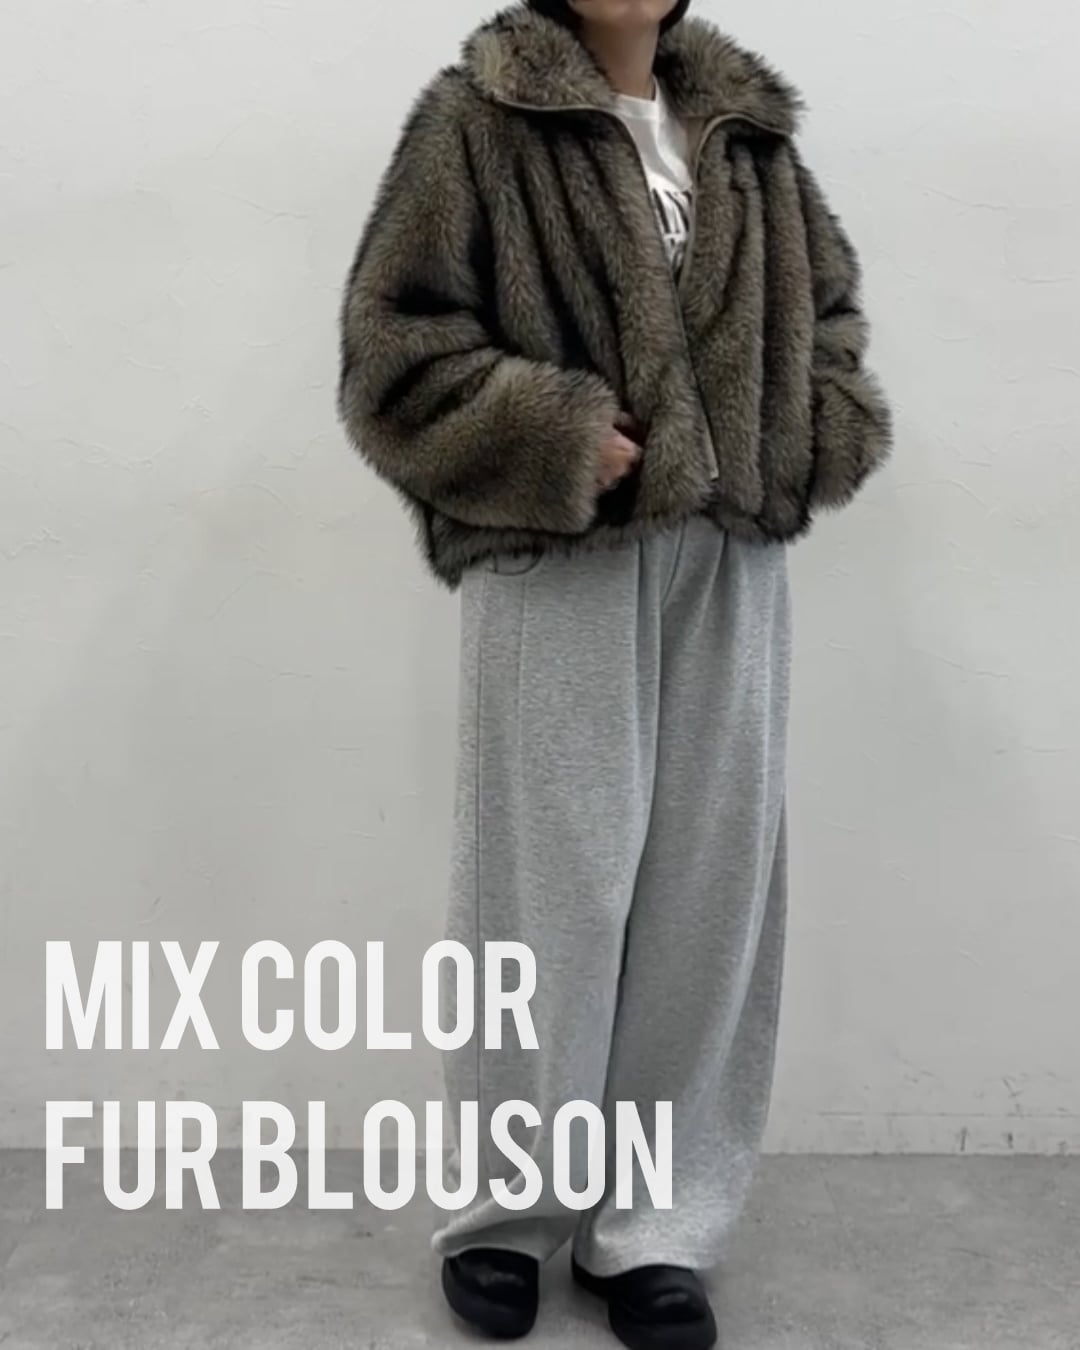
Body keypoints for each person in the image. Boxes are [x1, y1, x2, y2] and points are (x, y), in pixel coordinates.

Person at [337, 1, 891, 1346]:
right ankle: (505, 1216)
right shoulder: (478, 120)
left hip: (730, 560)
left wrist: (807, 433)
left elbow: (828, 318)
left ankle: (654, 1222)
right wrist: (553, 434)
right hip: (561, 551)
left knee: (709, 890)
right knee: (548, 891)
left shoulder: (747, 135)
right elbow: (391, 352)